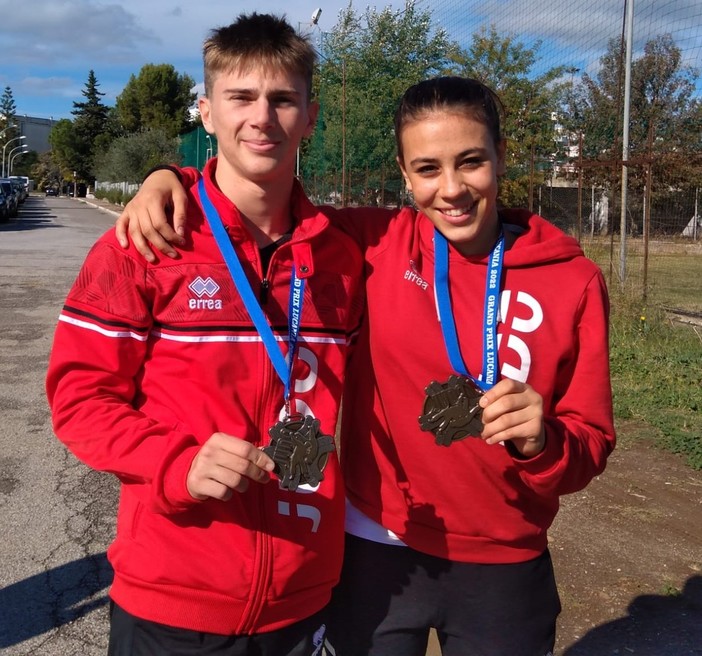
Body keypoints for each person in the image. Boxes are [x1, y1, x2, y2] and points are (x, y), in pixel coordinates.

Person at [116, 76, 616, 656]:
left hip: (503, 558)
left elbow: (592, 440)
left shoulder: (571, 279)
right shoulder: (373, 241)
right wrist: (166, 178)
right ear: (405, 176)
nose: (451, 188)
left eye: (471, 161)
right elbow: (266, 199)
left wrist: (544, 444)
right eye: (427, 168)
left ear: (501, 158)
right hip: (375, 545)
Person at [46, 13, 365, 655]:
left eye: (282, 99)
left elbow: (455, 224)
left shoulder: (348, 252)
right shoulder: (145, 242)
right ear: (206, 111)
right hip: (170, 599)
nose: (262, 117)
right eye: (240, 97)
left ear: (311, 115)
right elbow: (80, 400)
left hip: (306, 596)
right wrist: (177, 462)